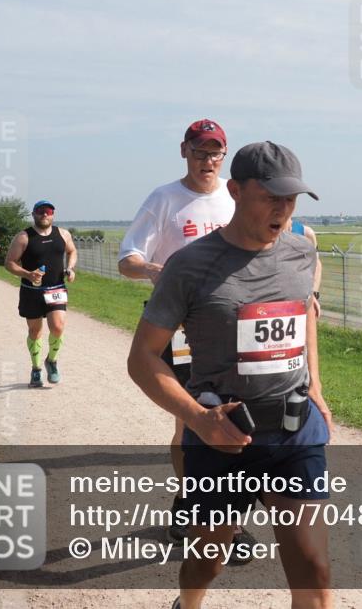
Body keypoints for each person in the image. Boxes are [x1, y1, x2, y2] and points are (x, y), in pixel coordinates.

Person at [127, 141, 332, 609]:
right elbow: (142, 358)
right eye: (271, 197)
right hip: (223, 434)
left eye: (291, 199)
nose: (283, 209)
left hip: (292, 432)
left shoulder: (302, 254)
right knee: (209, 559)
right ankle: (188, 604)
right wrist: (199, 419)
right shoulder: (191, 266)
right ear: (235, 191)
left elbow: (305, 317)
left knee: (314, 570)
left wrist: (315, 385)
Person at [119, 119, 255, 552]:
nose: (208, 161)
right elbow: (127, 259)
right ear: (184, 152)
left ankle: (221, 514)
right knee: (192, 420)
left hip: (233, 327)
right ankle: (198, 503)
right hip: (179, 326)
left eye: (216, 154)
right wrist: (157, 270)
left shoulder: (236, 198)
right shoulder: (165, 200)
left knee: (238, 416)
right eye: (200, 152)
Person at [5, 200, 78, 388]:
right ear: (33, 214)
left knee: (58, 327)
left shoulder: (63, 234)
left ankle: (52, 361)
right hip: (32, 291)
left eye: (48, 211)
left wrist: (70, 268)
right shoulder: (23, 237)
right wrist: (28, 274)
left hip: (56, 288)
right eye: (40, 211)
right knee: (35, 331)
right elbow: (10, 263)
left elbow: (72, 251)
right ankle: (36, 368)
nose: (44, 214)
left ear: (53, 214)